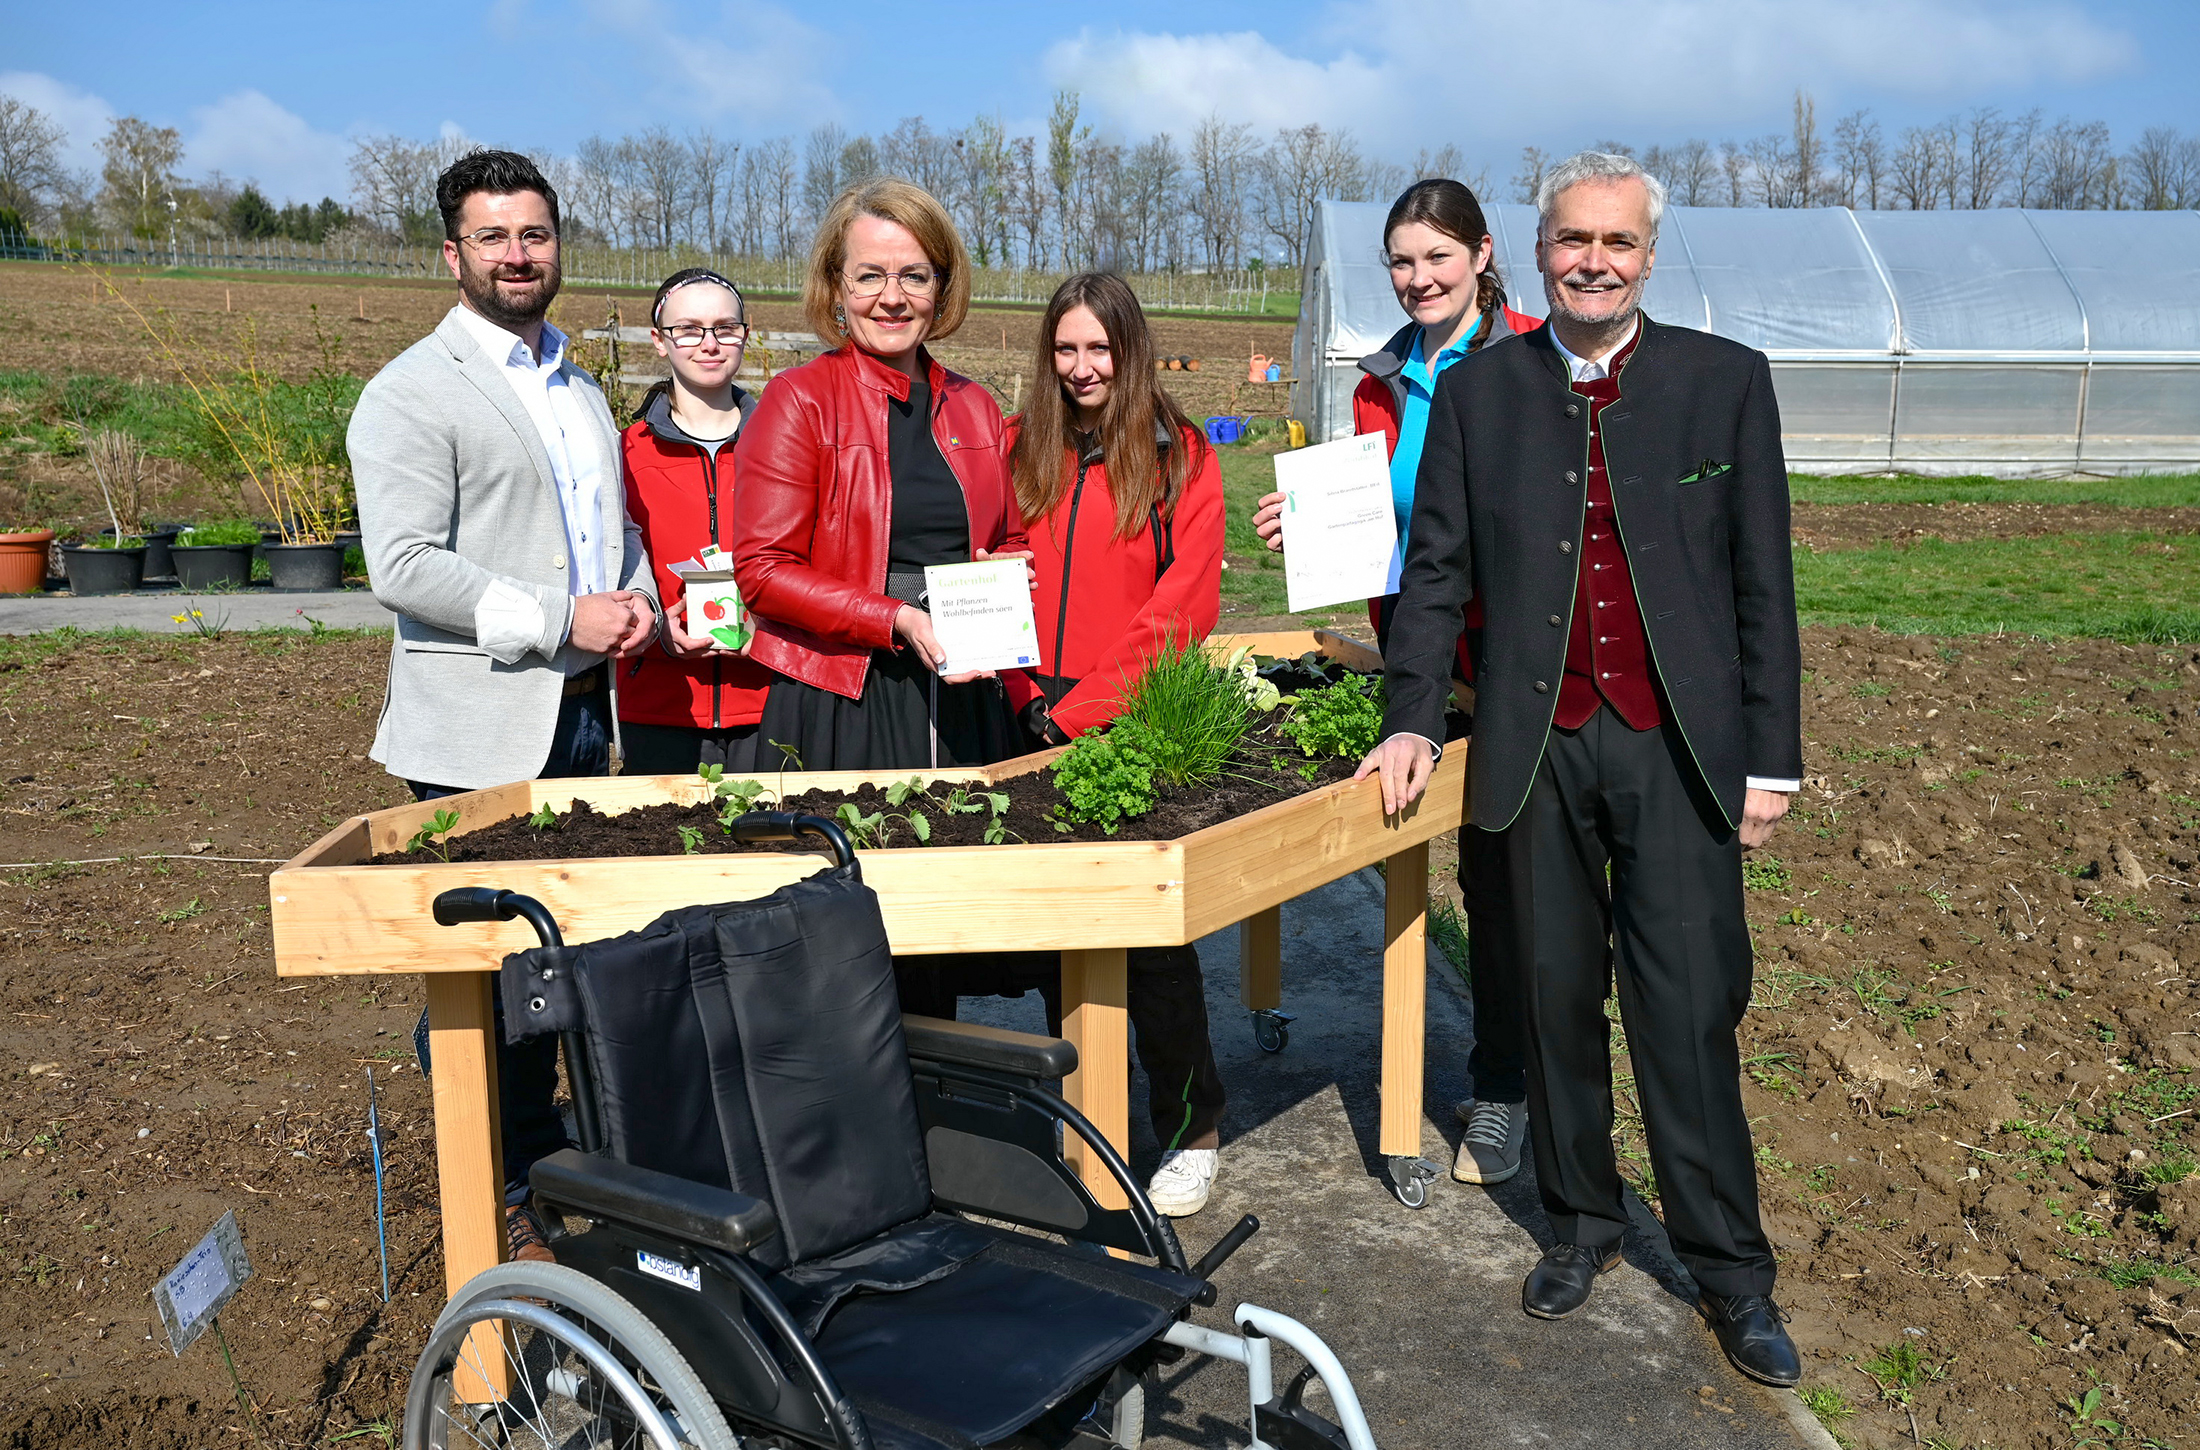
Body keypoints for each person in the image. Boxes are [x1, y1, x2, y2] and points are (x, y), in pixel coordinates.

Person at [1357, 152, 1804, 1387]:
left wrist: (1774, 760)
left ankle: (1731, 1271)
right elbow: (1437, 570)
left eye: (1616, 242)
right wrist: (1405, 716)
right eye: (1571, 241)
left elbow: (1763, 585)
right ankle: (1582, 1221)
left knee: (1686, 1009)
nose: (1592, 261)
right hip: (1531, 743)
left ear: (1648, 256)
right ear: (1536, 251)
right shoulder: (1482, 394)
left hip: (1675, 747)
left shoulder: (1724, 385)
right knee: (1551, 997)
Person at [351, 148, 660, 1263]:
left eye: (534, 234)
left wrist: (630, 597)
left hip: (582, 713)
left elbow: (605, 533)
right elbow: (402, 565)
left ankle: (542, 1153)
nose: (518, 255)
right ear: (452, 252)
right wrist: (556, 616)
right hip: (477, 724)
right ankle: (495, 1192)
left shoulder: (576, 385)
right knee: (489, 970)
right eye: (493, 236)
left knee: (563, 948)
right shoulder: (412, 390)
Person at [1250, 179, 1541, 1188]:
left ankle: (1503, 1089)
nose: (1418, 279)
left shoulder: (1532, 358)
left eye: (1437, 258)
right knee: (1453, 865)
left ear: (1482, 255)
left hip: (1517, 664)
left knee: (1504, 881)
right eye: (1402, 263)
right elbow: (1398, 517)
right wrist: (1320, 529)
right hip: (1420, 662)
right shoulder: (1384, 379)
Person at [1001, 272, 1229, 1216]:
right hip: (1025, 711)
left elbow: (1183, 608)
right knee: (1062, 933)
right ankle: (1087, 1116)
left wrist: (1084, 708)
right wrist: (1021, 692)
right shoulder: (1026, 450)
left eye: (1100, 349)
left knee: (1149, 944)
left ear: (1130, 350)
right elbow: (994, 567)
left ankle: (1192, 1124)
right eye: (1066, 350)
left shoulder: (1177, 457)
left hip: (1120, 720)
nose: (1083, 368)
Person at [730, 178, 1026, 771]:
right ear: (837, 288)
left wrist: (1003, 571)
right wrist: (896, 616)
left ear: (940, 289)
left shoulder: (976, 406)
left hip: (967, 688)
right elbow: (762, 573)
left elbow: (1010, 539)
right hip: (849, 693)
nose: (892, 297)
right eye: (870, 276)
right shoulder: (801, 399)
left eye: (914, 276)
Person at [617, 267, 776, 774]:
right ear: (660, 341)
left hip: (769, 701)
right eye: (688, 329)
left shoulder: (786, 449)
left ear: (745, 336)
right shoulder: (622, 454)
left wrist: (770, 630)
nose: (708, 343)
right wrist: (660, 628)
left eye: (725, 328)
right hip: (661, 704)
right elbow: (612, 565)